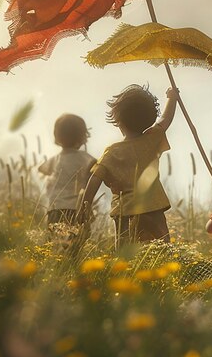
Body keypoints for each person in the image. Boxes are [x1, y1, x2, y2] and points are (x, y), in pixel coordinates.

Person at [79, 85, 178, 247]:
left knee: (125, 255)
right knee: (162, 249)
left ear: (118, 119)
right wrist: (172, 98)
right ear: (149, 117)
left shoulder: (112, 152)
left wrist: (86, 205)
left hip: (125, 211)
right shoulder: (151, 139)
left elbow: (95, 179)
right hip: (153, 206)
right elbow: (165, 120)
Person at [38, 114, 96, 229]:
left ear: (57, 137)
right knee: (77, 241)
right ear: (82, 136)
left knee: (55, 242)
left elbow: (41, 169)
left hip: (55, 208)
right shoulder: (85, 158)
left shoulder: (56, 159)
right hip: (77, 209)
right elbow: (96, 168)